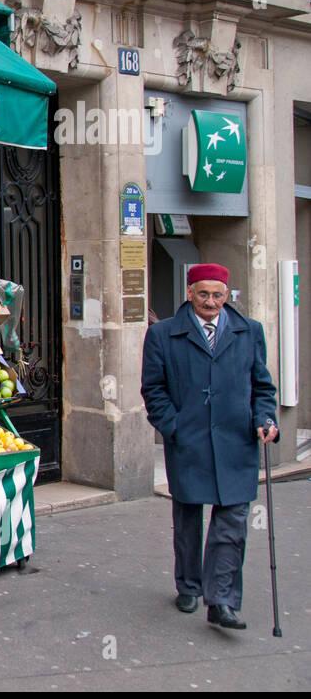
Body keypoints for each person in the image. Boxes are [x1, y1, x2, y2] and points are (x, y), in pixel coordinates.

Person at [140, 263, 279, 630]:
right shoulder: (164, 334)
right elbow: (153, 389)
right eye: (203, 294)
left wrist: (265, 420)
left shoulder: (249, 332)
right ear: (190, 292)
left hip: (237, 442)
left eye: (218, 295)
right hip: (190, 440)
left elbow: (262, 386)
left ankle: (222, 601)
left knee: (232, 522)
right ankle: (188, 584)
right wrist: (174, 427)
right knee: (187, 518)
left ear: (227, 295)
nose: (211, 302)